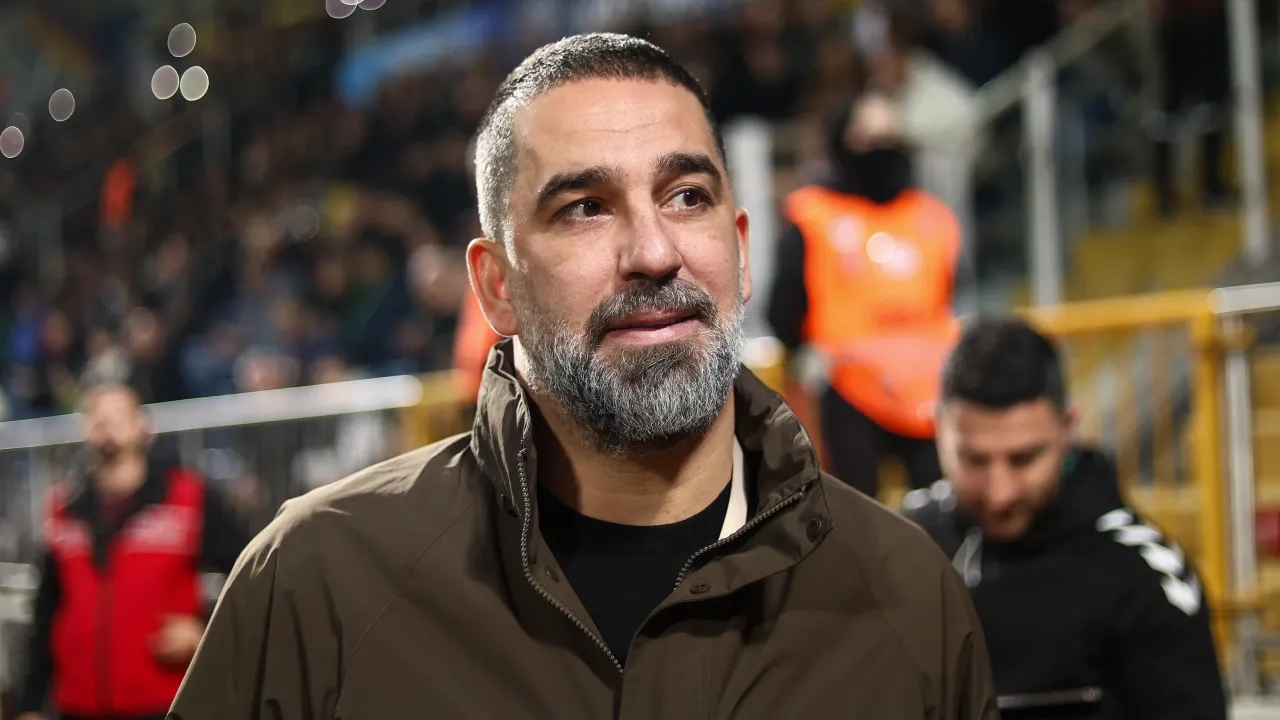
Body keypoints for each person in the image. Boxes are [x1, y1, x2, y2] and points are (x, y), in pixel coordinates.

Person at [170, 33, 998, 719]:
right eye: (585, 208)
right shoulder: (316, 584)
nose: (654, 252)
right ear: (497, 286)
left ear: (742, 251)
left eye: (687, 196)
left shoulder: (907, 592)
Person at [902, 317, 1228, 719]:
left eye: (1024, 459)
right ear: (938, 430)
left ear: (1067, 428)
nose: (1000, 493)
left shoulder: (1146, 579)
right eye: (974, 460)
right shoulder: (905, 549)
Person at [767, 90, 962, 499]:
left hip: (928, 394)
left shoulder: (932, 216)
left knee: (940, 509)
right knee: (856, 512)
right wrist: (804, 353)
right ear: (844, 141)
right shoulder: (813, 213)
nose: (882, 148)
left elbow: (948, 292)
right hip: (848, 391)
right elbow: (784, 306)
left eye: (891, 136)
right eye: (870, 138)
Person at [16, 384, 247, 720]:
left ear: (142, 426)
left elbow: (248, 577)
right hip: (77, 707)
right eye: (99, 419)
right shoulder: (63, 510)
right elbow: (46, 610)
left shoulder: (189, 497)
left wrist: (206, 630)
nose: (108, 427)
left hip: (166, 703)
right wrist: (29, 705)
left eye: (119, 416)